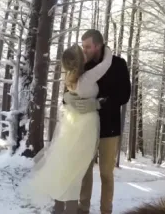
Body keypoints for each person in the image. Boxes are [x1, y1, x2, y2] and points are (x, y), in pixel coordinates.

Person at [27, 43, 113, 214]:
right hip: (85, 127)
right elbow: (106, 64)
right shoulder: (87, 78)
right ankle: (69, 210)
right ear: (80, 60)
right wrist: (106, 49)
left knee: (67, 167)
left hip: (70, 125)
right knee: (77, 171)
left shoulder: (70, 76)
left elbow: (68, 95)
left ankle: (59, 207)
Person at [64, 29, 131, 214]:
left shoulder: (118, 64)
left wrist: (99, 104)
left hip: (109, 128)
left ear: (98, 46)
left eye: (87, 46)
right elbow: (70, 88)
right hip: (84, 127)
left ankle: (105, 211)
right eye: (83, 46)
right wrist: (66, 98)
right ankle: (82, 208)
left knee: (106, 174)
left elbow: (124, 95)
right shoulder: (80, 64)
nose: (83, 50)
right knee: (85, 170)